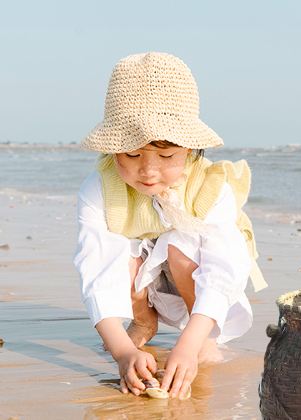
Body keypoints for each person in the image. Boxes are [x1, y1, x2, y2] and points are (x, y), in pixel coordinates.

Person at [73, 52, 267, 400]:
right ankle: (143, 323)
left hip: (195, 281)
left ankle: (203, 334)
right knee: (121, 250)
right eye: (132, 155)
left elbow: (224, 269)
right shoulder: (100, 188)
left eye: (166, 157)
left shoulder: (210, 188)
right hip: (149, 278)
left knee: (180, 245)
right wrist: (122, 352)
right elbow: (96, 268)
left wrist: (190, 345)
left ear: (190, 150)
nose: (148, 171)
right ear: (113, 149)